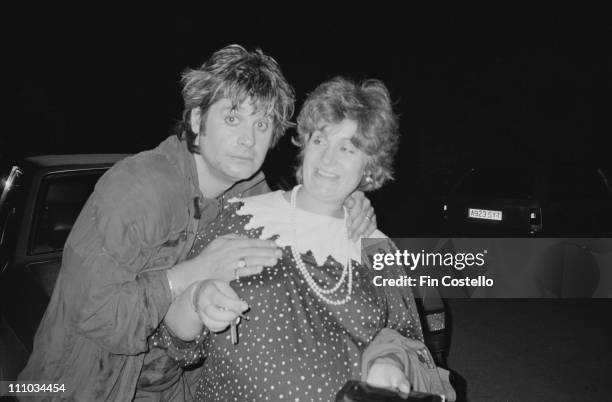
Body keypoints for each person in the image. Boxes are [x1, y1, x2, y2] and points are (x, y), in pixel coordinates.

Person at [19, 45, 377, 401]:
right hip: (83, 386)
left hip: (176, 387)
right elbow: (97, 316)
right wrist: (192, 273)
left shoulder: (250, 195)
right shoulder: (139, 189)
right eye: (233, 118)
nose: (247, 139)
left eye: (262, 123)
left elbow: (298, 218)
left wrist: (346, 199)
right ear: (196, 120)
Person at [157, 77, 456, 401]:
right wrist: (197, 299)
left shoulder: (378, 249)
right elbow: (173, 335)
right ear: (303, 146)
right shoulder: (241, 217)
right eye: (319, 141)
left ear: (369, 166)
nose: (328, 159)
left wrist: (390, 363)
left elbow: (410, 343)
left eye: (347, 148)